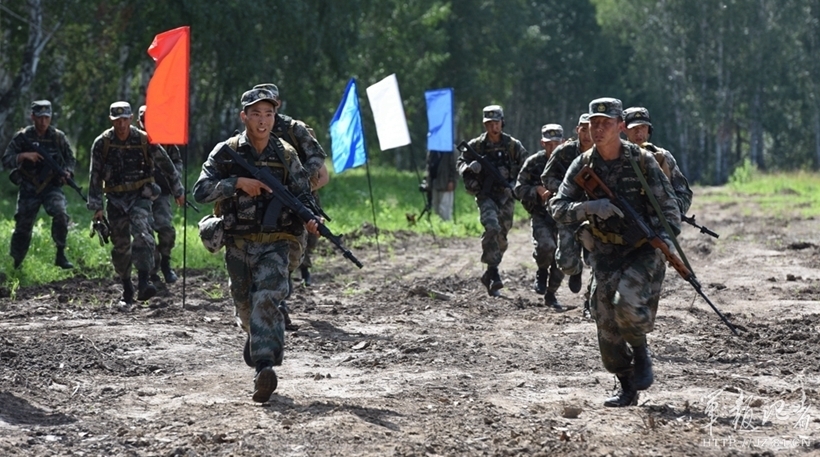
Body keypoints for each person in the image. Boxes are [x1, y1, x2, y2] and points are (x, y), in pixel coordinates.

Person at [550, 97, 681, 407]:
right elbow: (557, 207)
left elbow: (670, 211)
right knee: (606, 327)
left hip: (642, 251)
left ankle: (641, 351)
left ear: (620, 126)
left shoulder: (641, 161)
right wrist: (588, 207)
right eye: (594, 124)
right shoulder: (583, 165)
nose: (598, 129)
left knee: (628, 304)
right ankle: (626, 384)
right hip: (605, 254)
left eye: (605, 124)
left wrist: (659, 243)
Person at [193, 88, 320, 403]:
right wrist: (236, 183)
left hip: (276, 242)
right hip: (238, 243)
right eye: (256, 114)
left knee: (268, 298)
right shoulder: (226, 152)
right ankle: (257, 338)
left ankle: (264, 369)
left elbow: (303, 194)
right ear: (244, 117)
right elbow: (200, 190)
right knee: (246, 307)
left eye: (269, 114)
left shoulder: (286, 153)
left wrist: (310, 218)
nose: (263, 121)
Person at [87, 102, 184, 304]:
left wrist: (178, 190)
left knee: (143, 236)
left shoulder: (144, 139)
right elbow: (94, 176)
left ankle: (143, 283)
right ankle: (127, 288)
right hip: (115, 200)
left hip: (140, 197)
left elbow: (167, 165)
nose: (121, 124)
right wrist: (97, 207)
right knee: (121, 246)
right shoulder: (102, 143)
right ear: (111, 120)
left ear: (131, 119)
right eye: (117, 121)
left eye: (125, 120)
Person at [253, 83, 328, 331]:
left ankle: (288, 286)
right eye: (258, 109)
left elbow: (319, 164)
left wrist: (298, 183)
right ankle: (276, 307)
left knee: (294, 252)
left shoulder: (295, 130)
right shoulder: (252, 129)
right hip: (262, 202)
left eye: (270, 107)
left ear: (278, 105)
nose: (264, 116)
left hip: (298, 198)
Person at [457, 104, 527, 296]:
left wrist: (514, 184)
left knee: (502, 237)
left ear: (502, 122)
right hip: (486, 195)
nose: (492, 127)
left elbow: (526, 168)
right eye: (488, 123)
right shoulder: (477, 145)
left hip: (506, 196)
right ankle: (494, 272)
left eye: (495, 123)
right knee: (492, 227)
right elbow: (460, 162)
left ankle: (490, 270)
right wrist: (469, 167)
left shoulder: (513, 145)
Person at [2, 100, 76, 270]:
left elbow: (70, 159)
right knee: (22, 227)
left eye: (46, 117)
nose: (43, 122)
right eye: (39, 117)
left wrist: (67, 172)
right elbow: (6, 159)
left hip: (51, 186)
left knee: (61, 214)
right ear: (32, 117)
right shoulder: (23, 137)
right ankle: (15, 264)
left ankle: (60, 253)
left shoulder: (58, 137)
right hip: (29, 186)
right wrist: (24, 156)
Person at [541, 114, 593, 303]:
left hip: (595, 212)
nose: (587, 134)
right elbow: (546, 178)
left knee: (598, 259)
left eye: (591, 128)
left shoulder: (603, 152)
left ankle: (591, 300)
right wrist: (566, 187)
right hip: (569, 209)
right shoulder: (564, 151)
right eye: (583, 129)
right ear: (577, 129)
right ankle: (575, 270)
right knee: (566, 262)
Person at [514, 123, 565, 310]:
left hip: (564, 217)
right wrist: (536, 190)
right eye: (548, 144)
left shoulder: (569, 162)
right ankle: (542, 271)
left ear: (563, 142)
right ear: (542, 143)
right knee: (546, 247)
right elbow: (518, 188)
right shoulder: (533, 162)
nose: (553, 148)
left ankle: (551, 294)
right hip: (541, 215)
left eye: (556, 143)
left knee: (561, 256)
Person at [137, 105, 184, 284]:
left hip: (162, 193)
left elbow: (176, 162)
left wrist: (174, 181)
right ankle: (152, 270)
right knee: (145, 233)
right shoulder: (135, 140)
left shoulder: (166, 140)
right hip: (140, 195)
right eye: (144, 120)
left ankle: (165, 263)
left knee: (165, 229)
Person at [622, 106, 693, 215]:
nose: (639, 132)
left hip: (657, 226)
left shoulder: (662, 157)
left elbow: (684, 193)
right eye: (633, 128)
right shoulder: (617, 156)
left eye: (643, 127)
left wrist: (672, 209)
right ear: (624, 129)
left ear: (649, 130)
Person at [425, 149, 457, 220]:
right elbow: (429, 165)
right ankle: (439, 224)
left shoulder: (451, 149)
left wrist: (452, 181)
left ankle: (446, 225)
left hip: (446, 182)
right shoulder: (432, 150)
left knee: (445, 207)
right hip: (434, 182)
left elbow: (455, 166)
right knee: (435, 205)